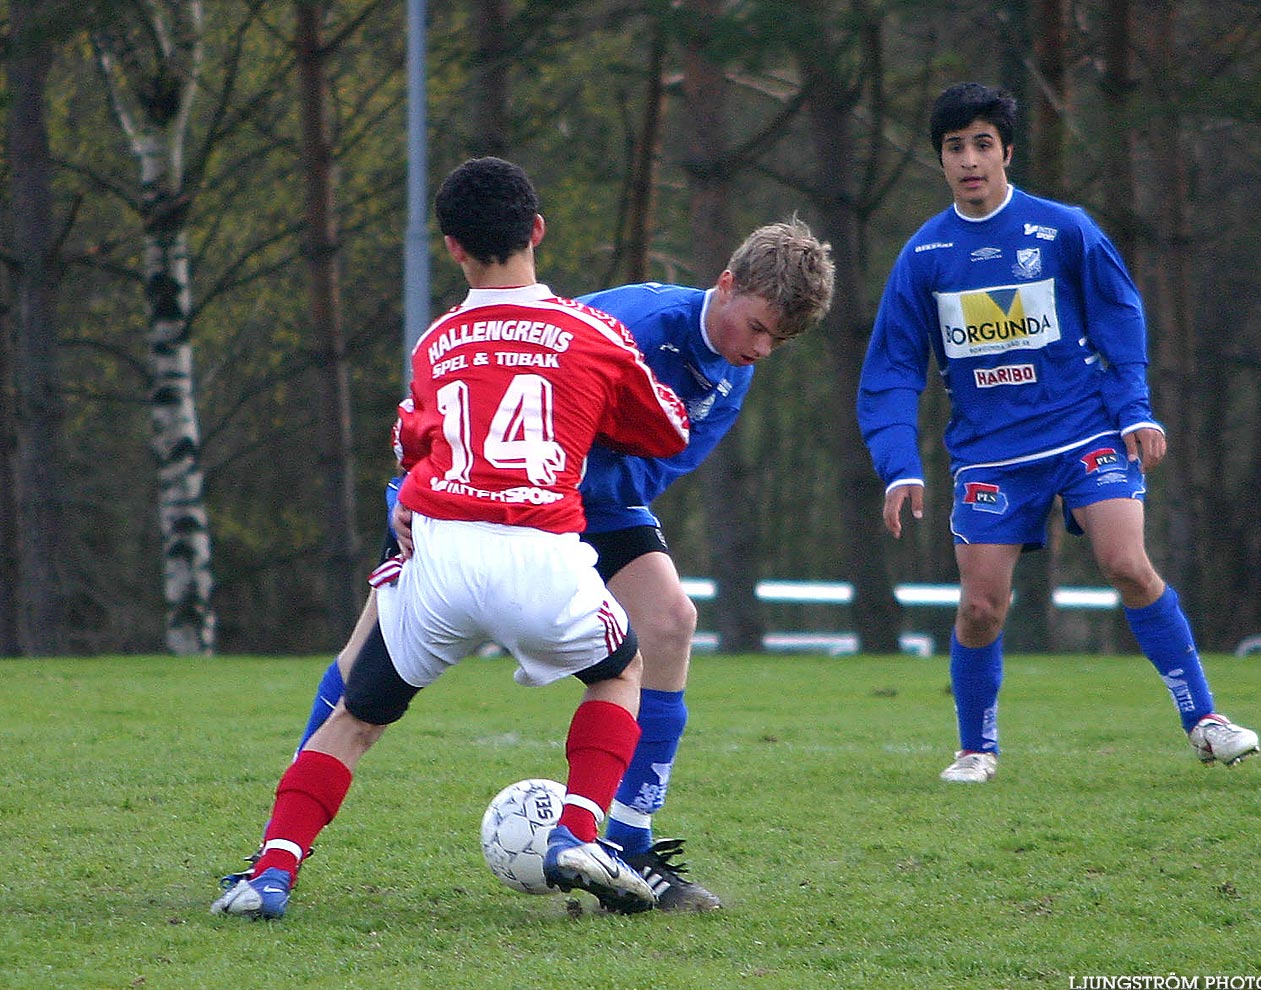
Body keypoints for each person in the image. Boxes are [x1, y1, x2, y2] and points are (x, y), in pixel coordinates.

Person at [222, 218, 836, 911]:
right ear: (724, 286)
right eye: (756, 326)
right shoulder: (624, 319)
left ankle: (629, 843)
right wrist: (410, 495)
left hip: (586, 502)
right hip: (500, 496)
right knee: (360, 653)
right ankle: (277, 846)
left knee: (670, 621)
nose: (759, 348)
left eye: (776, 341)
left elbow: (655, 470)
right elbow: (482, 392)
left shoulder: (732, 377)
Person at [211, 156, 690, 919]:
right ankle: (576, 833)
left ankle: (269, 874)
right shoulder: (588, 330)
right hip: (539, 551)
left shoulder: (435, 342)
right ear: (536, 229)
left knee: (355, 718)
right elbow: (663, 428)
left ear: (451, 247)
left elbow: (411, 442)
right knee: (621, 672)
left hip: (441, 554)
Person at [857, 83, 1259, 784]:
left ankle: (1204, 720)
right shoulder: (924, 256)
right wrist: (898, 463)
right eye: (955, 147)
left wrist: (1133, 407)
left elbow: (1118, 315)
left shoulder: (1063, 229)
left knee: (1126, 566)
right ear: (942, 161)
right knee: (980, 607)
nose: (970, 159)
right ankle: (975, 749)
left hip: (1083, 435)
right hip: (989, 455)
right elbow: (892, 366)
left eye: (983, 143)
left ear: (1006, 151)